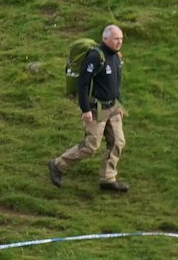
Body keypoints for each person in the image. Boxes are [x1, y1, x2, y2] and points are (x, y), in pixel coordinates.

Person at [49, 24, 127, 192]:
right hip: (96, 109)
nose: (119, 42)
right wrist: (85, 109)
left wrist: (118, 104)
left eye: (121, 38)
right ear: (105, 39)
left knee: (118, 142)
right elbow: (82, 84)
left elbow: (116, 81)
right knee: (90, 147)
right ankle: (57, 165)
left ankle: (107, 178)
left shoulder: (116, 56)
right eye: (116, 39)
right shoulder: (95, 57)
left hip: (112, 107)